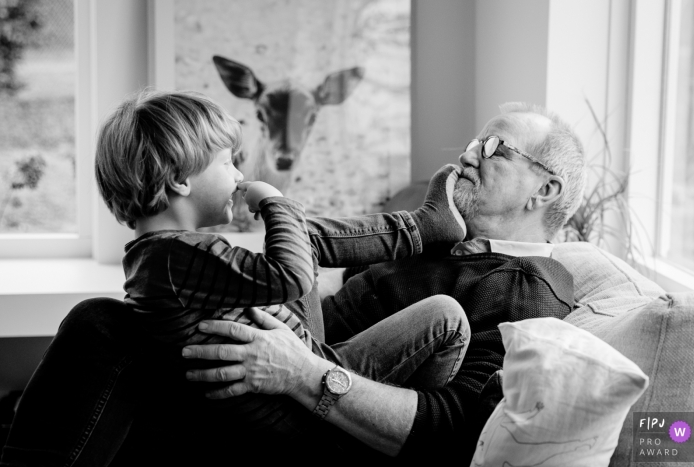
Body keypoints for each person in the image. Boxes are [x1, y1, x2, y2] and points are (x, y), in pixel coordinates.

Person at [1, 90, 474, 466]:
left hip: (307, 376)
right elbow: (290, 275)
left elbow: (288, 268)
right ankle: (393, 445)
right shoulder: (175, 255)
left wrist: (288, 226)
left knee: (315, 246)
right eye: (228, 161)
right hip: (300, 417)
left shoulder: (164, 259)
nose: (240, 174)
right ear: (181, 180)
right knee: (446, 317)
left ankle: (422, 227)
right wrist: (277, 203)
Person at [181, 102, 586, 461]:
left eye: (493, 147)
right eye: (474, 143)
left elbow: (456, 429)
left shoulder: (527, 288)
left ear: (545, 189)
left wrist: (300, 372)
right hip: (277, 349)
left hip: (299, 408)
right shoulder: (451, 245)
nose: (466, 156)